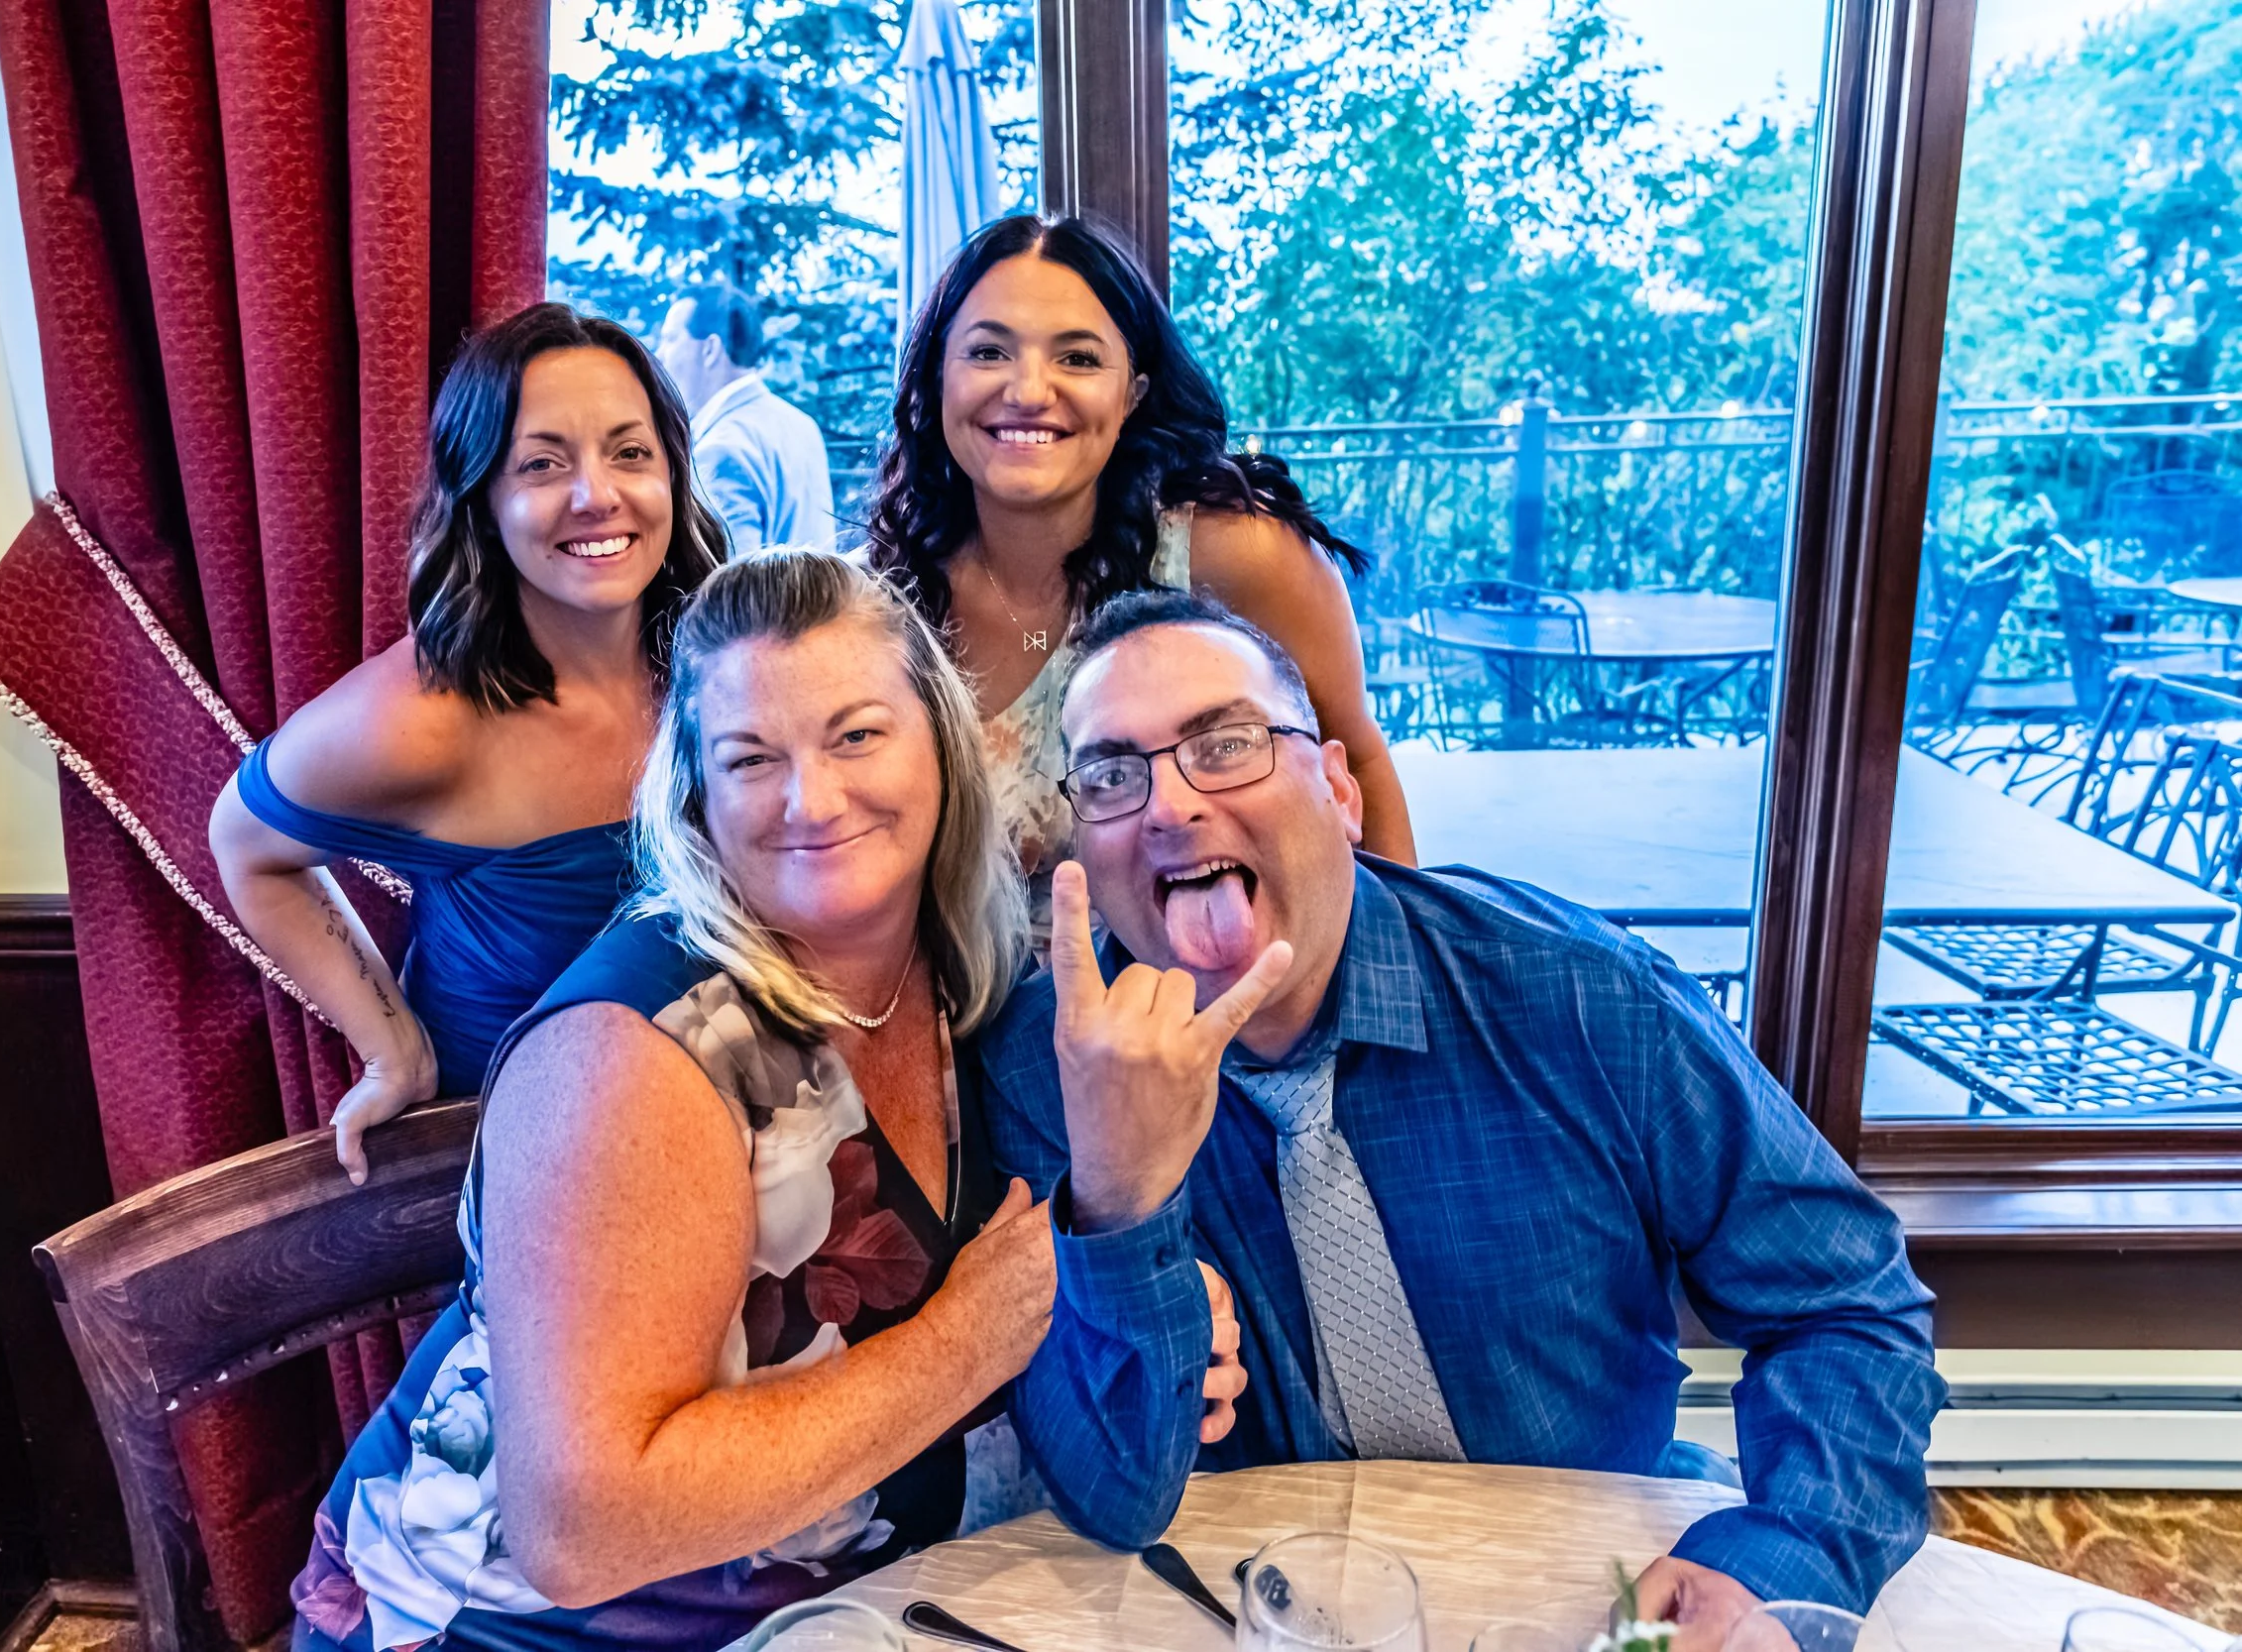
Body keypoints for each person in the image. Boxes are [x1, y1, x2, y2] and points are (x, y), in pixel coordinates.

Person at [286, 553, 1255, 1652]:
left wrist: (1129, 1269)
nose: (813, 799)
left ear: (944, 742)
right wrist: (970, 1336)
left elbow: (1082, 1396)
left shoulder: (972, 984)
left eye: (857, 735)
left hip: (838, 1615)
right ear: (695, 793)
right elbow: (578, 1531)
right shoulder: (634, 1052)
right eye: (751, 758)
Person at [984, 590, 1949, 1650]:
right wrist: (1119, 1192)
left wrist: (1777, 1557)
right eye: (1112, 776)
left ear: (1339, 789)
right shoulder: (1043, 1067)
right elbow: (1117, 1494)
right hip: (1246, 1608)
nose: (1169, 805)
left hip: (1589, 1588)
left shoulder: (1578, 996)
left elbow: (1846, 1302)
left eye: (1226, 745)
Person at [210, 303, 723, 1180]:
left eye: (630, 453)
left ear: (672, 474)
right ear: (482, 497)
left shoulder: (721, 661)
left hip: (725, 1132)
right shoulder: (421, 717)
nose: (596, 494)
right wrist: (393, 1051)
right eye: (542, 464)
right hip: (524, 1165)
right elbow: (243, 840)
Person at [866, 215, 1417, 906]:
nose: (1029, 391)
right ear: (936, 377)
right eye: (988, 352)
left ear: (1134, 392)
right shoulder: (883, 597)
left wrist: (1398, 962)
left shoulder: (1233, 555)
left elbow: (1356, 764)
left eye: (1078, 359)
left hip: (1211, 971)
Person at [656, 280, 839, 557]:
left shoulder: (721, 449)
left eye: (670, 339)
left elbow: (728, 578)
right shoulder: (802, 425)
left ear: (710, 349)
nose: (659, 356)